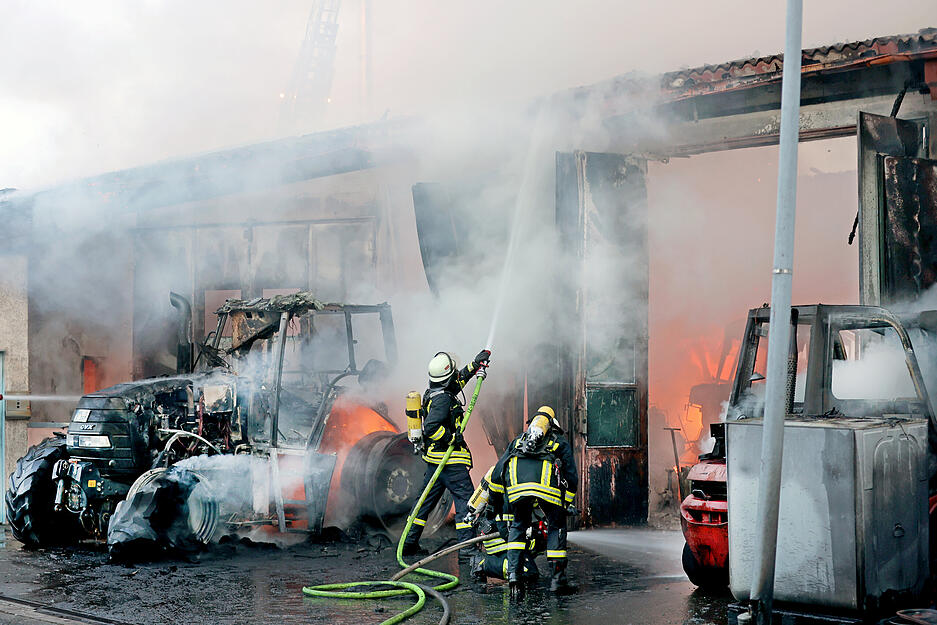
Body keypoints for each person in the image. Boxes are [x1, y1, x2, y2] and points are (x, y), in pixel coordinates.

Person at [401, 349, 490, 557]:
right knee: (465, 503)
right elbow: (431, 427)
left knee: (424, 503)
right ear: (446, 376)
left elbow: (458, 382)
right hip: (451, 462)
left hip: (435, 461)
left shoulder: (436, 391)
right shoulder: (442, 400)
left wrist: (475, 365)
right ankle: (466, 548)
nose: (456, 377)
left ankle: (408, 543)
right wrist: (452, 438)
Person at [488, 405, 578, 597]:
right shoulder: (558, 442)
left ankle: (514, 577)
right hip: (547, 490)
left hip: (517, 490)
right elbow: (572, 477)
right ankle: (557, 581)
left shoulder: (517, 442)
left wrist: (493, 505)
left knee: (518, 527)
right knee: (556, 526)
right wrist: (566, 504)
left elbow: (497, 473)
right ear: (552, 426)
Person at [464, 466, 543, 582]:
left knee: (530, 572)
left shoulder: (524, 470)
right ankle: (482, 564)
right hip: (499, 535)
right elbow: (473, 506)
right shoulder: (498, 472)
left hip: (515, 533)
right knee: (526, 573)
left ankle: (518, 561)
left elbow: (472, 505)